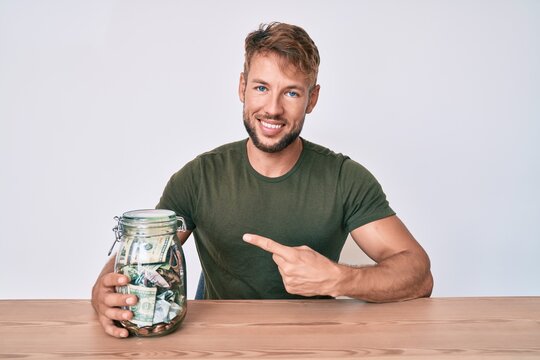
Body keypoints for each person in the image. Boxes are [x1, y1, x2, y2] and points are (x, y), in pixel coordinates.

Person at [92, 22, 433, 338]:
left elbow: (418, 274)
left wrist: (339, 278)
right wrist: (102, 291)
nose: (272, 109)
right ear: (242, 87)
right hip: (219, 342)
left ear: (311, 99)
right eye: (261, 87)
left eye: (291, 93)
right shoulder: (198, 177)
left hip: (318, 343)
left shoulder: (346, 179)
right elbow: (142, 253)